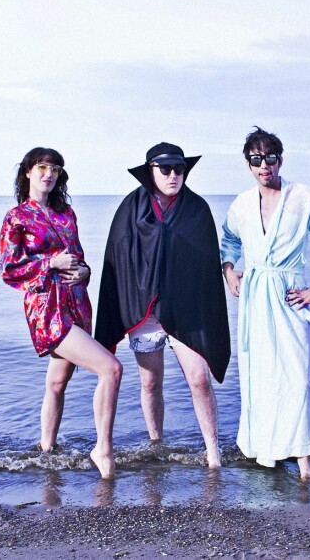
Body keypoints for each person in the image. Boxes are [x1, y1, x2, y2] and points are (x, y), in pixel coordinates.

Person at [221, 127, 310, 480]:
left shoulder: (303, 197)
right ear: (248, 164)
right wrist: (229, 271)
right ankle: (265, 450)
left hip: (289, 294)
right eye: (256, 160)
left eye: (270, 158)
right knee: (258, 373)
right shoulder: (241, 204)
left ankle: (304, 456)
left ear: (280, 161)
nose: (264, 166)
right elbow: (228, 240)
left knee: (295, 375)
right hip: (254, 295)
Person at [96, 142, 230, 468]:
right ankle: (156, 444)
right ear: (150, 171)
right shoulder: (131, 209)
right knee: (150, 382)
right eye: (165, 169)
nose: (173, 175)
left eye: (179, 168)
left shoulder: (197, 210)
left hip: (187, 309)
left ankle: (213, 451)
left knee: (199, 379)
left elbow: (206, 267)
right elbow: (118, 260)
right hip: (145, 312)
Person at [0, 147, 123, 478]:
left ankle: (46, 451)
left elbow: (78, 258)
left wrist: (85, 271)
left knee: (57, 382)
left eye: (55, 169)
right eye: (42, 167)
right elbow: (9, 268)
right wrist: (50, 263)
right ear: (28, 172)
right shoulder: (17, 217)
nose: (49, 174)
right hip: (48, 312)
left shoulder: (66, 214)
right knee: (111, 369)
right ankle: (103, 450)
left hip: (76, 304)